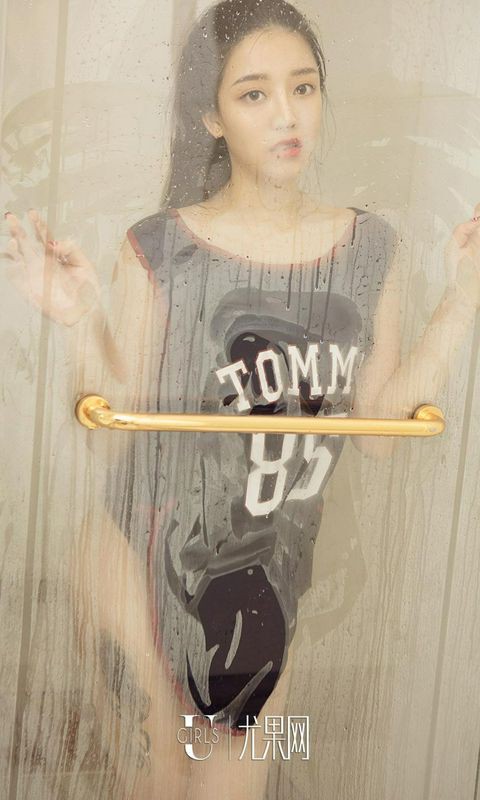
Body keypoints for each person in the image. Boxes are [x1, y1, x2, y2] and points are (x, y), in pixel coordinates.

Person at [3, 0, 480, 796]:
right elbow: (114, 432)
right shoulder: (161, 247)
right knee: (159, 784)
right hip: (136, 560)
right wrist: (81, 319)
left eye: (304, 87)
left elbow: (376, 432)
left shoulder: (372, 250)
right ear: (212, 117)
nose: (287, 114)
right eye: (254, 93)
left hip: (263, 585)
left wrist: (463, 302)